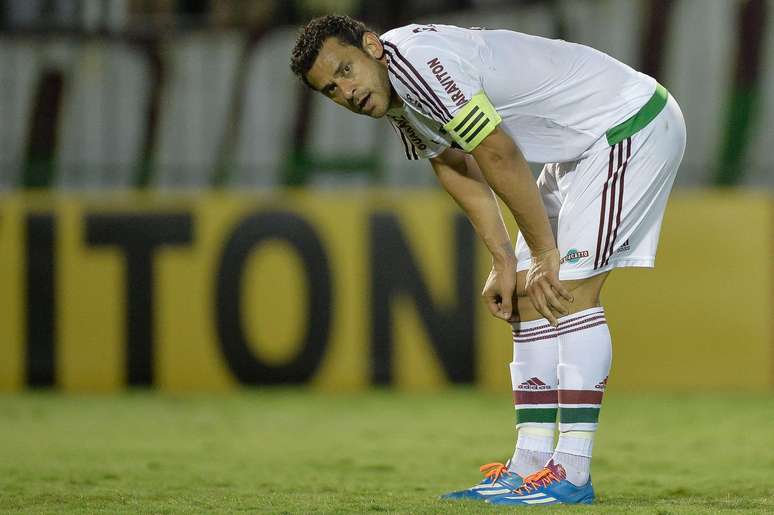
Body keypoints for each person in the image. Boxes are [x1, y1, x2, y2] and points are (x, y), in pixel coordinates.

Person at [290, 14, 686, 506]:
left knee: (568, 292)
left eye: (345, 70)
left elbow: (496, 153)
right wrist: (504, 259)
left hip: (627, 126)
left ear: (372, 46)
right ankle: (531, 464)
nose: (345, 92)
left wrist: (544, 253)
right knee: (522, 296)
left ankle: (573, 473)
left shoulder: (417, 66)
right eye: (330, 89)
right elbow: (453, 160)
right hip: (581, 150)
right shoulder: (393, 92)